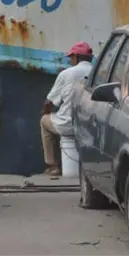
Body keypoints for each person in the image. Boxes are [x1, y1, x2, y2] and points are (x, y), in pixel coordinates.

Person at [40, 41, 94, 176]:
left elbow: (49, 102)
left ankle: (53, 166)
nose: (70, 60)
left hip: (68, 125)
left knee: (44, 121)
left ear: (76, 57)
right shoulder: (99, 73)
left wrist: (46, 113)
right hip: (91, 126)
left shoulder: (66, 73)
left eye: (71, 57)